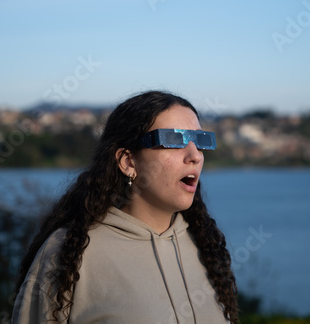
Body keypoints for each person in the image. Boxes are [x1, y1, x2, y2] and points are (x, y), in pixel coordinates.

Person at [12, 91, 239, 323]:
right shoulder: (69, 251)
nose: (195, 156)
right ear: (128, 162)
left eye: (200, 142)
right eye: (174, 139)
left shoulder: (207, 247)